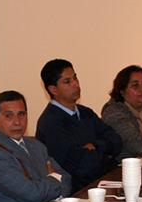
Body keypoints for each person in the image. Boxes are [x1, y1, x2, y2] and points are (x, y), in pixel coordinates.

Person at [0, 90, 72, 202]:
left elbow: (66, 178)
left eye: (21, 114)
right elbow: (31, 194)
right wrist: (54, 179)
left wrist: (48, 183)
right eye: (8, 116)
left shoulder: (36, 145)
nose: (17, 122)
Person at [36, 59, 123, 192]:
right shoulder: (50, 123)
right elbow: (83, 166)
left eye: (75, 78)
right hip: (77, 192)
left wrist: (96, 146)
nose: (75, 84)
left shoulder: (85, 112)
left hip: (104, 182)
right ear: (53, 89)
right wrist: (106, 152)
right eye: (67, 81)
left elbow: (117, 141)